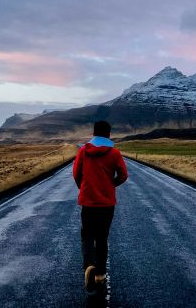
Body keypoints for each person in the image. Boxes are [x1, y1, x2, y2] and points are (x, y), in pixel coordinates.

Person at [73, 120, 128, 293]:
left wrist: (84, 187)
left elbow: (76, 173)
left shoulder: (83, 151)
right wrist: (110, 185)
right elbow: (123, 175)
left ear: (94, 133)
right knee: (102, 237)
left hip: (88, 201)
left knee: (87, 235)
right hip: (106, 202)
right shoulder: (114, 153)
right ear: (109, 134)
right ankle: (100, 275)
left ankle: (89, 265)